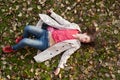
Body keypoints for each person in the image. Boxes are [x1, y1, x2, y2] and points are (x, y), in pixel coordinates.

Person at [2, 10, 97, 75]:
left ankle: (13, 48)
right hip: (46, 33)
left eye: (85, 41)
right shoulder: (75, 27)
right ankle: (23, 37)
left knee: (26, 41)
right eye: (85, 38)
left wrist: (60, 67)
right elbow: (63, 21)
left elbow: (66, 55)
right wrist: (52, 14)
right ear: (85, 33)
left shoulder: (76, 45)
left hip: (46, 44)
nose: (83, 40)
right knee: (27, 28)